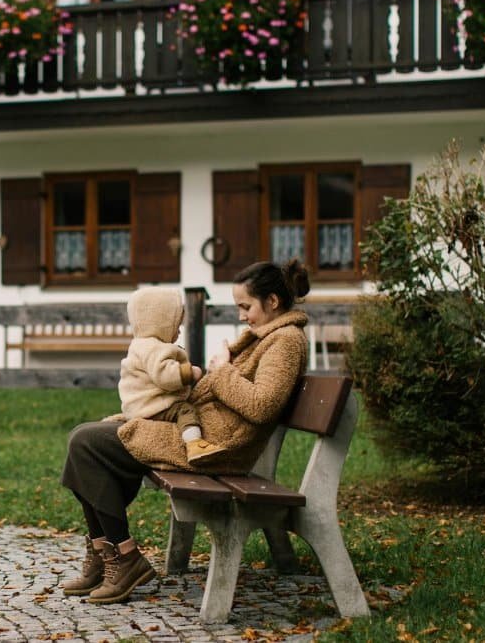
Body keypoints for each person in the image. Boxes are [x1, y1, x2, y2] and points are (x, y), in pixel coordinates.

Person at [59, 259, 311, 605]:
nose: (241, 316)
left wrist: (221, 370)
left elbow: (261, 405)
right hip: (199, 431)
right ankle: (109, 554)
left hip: (216, 445)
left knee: (86, 444)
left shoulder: (285, 341)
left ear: (273, 302)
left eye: (245, 307)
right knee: (86, 438)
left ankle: (123, 555)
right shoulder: (267, 337)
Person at [115, 287, 220, 463]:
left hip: (138, 405)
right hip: (154, 406)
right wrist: (189, 372)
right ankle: (195, 444)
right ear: (159, 323)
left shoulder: (140, 344)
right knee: (185, 410)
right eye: (176, 326)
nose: (178, 332)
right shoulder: (153, 348)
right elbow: (165, 376)